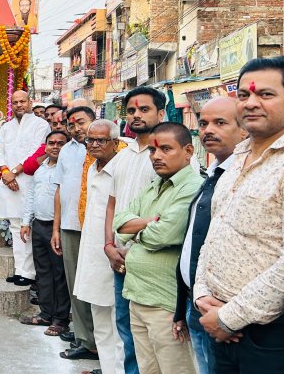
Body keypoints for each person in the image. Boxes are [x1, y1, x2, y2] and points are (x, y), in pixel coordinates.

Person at [194, 56, 284, 374]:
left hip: (268, 336)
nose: (251, 103)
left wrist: (229, 316)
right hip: (218, 326)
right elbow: (214, 232)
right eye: (243, 95)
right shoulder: (237, 156)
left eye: (265, 94)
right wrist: (202, 294)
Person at [112, 122, 202, 374]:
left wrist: (137, 230)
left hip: (165, 303)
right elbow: (119, 223)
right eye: (153, 150)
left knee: (175, 368)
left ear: (188, 151)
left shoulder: (192, 187)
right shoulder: (155, 185)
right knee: (147, 368)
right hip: (137, 294)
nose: (157, 156)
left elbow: (162, 234)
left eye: (165, 149)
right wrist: (149, 222)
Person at [173, 97, 244, 374]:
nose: (207, 130)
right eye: (203, 123)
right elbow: (195, 243)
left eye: (220, 123)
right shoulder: (212, 174)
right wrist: (184, 306)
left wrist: (231, 315)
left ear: (244, 130)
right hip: (197, 304)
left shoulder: (242, 178)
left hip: (224, 313)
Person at [103, 86, 168, 374]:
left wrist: (134, 246)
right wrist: (108, 245)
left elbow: (166, 214)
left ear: (161, 113)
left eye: (144, 109)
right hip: (119, 257)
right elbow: (111, 204)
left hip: (151, 257)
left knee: (154, 335)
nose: (136, 115)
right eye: (131, 111)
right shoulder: (124, 154)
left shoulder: (168, 153)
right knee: (125, 326)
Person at [74, 120, 126, 374]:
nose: (94, 145)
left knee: (119, 323)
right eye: (90, 140)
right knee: (100, 318)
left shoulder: (122, 167)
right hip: (92, 252)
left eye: (101, 140)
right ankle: (107, 369)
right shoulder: (92, 167)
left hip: (114, 252)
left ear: (115, 143)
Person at [52, 106, 99, 361]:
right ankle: (85, 337)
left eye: (81, 122)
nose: (76, 128)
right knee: (75, 285)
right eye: (72, 125)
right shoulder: (67, 151)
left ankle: (95, 338)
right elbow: (59, 190)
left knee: (96, 283)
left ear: (94, 120)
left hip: (96, 226)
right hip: (70, 225)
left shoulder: (106, 147)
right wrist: (56, 228)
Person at [0, 90, 49, 287]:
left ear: (30, 102)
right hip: (9, 182)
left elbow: (37, 153)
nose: (19, 105)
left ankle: (29, 273)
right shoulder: (7, 126)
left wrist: (13, 172)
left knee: (28, 228)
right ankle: (19, 270)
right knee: (15, 226)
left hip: (29, 181)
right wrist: (5, 172)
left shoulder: (41, 125)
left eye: (22, 101)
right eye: (15, 102)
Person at [19, 131, 71, 335]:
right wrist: (26, 222)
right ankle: (45, 314)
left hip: (57, 228)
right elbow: (31, 196)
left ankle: (60, 319)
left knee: (59, 274)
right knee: (43, 272)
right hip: (39, 225)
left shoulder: (68, 170)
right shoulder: (40, 169)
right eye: (51, 143)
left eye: (60, 143)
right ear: (46, 146)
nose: (55, 147)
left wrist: (57, 229)